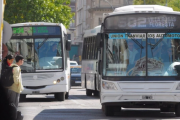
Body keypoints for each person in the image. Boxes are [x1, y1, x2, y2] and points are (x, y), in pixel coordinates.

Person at [7, 55, 24, 120]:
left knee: (12, 104)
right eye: (22, 60)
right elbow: (16, 78)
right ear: (20, 60)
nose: (23, 62)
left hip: (11, 88)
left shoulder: (12, 66)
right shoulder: (17, 68)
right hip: (15, 89)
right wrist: (17, 84)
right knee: (14, 104)